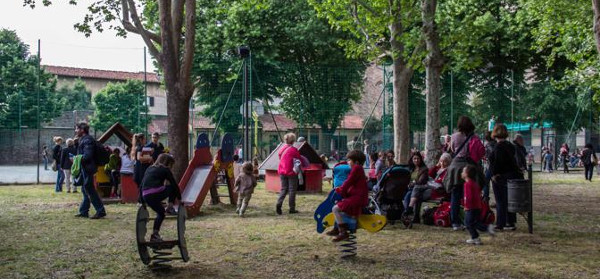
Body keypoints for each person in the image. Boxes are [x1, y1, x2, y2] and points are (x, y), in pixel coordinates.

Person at [443, 116, 485, 231]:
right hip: (468, 167)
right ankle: (471, 220)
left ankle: (455, 222)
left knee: (455, 196)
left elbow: (451, 149)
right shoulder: (472, 137)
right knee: (469, 194)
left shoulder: (455, 136)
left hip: (455, 166)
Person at [325, 150, 368, 242]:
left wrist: (341, 189)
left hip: (357, 198)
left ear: (356, 161)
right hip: (358, 197)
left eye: (349, 160)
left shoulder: (356, 168)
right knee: (340, 205)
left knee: (335, 208)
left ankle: (343, 232)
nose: (348, 162)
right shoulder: (359, 169)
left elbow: (348, 181)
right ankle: (337, 228)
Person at [141, 154, 181, 242]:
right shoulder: (165, 169)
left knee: (161, 213)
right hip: (155, 193)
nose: (171, 167)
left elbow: (142, 185)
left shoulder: (149, 168)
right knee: (171, 188)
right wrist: (180, 199)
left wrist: (142, 201)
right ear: (167, 163)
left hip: (146, 195)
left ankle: (155, 235)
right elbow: (174, 184)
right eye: (171, 165)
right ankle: (170, 207)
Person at [489, 124, 523, 231]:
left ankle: (501, 223)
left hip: (501, 177)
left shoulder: (499, 147)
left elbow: (497, 162)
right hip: (512, 175)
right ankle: (510, 222)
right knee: (509, 199)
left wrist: (494, 174)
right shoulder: (510, 146)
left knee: (500, 201)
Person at [74, 122, 106, 219]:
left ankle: (100, 211)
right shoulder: (83, 140)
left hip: (88, 168)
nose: (75, 131)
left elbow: (87, 156)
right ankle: (84, 211)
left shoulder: (88, 140)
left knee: (89, 189)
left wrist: (76, 159)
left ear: (82, 130)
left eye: (77, 129)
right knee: (85, 189)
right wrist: (76, 144)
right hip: (86, 167)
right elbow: (82, 153)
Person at [462, 165, 495, 245]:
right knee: (474, 222)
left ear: (466, 174)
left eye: (463, 171)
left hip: (471, 207)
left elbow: (468, 197)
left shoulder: (467, 184)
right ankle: (477, 236)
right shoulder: (474, 183)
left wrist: (466, 206)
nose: (461, 173)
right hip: (477, 206)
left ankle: (478, 235)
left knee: (468, 223)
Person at [276, 133, 302, 215]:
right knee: (292, 190)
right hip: (291, 172)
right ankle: (292, 208)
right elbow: (298, 159)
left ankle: (279, 203)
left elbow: (280, 157)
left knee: (283, 189)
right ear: (293, 141)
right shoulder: (294, 150)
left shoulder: (282, 149)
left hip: (282, 171)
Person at [403, 152, 431, 223]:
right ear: (412, 160)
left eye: (418, 158)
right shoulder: (411, 169)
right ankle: (409, 214)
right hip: (412, 189)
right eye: (414, 158)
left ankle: (409, 211)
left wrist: (412, 183)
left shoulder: (424, 169)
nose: (416, 160)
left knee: (415, 191)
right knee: (408, 195)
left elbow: (421, 181)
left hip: (422, 188)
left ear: (421, 159)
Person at [483, 131, 496, 201]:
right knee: (495, 183)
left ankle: (485, 197)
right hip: (496, 167)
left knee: (486, 182)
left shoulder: (487, 146)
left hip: (489, 167)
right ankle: (497, 199)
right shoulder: (496, 144)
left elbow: (486, 156)